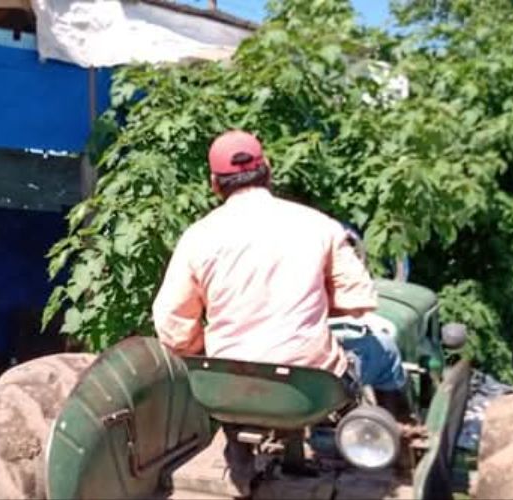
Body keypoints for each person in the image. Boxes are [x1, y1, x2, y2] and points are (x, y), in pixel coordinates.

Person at [151, 130, 406, 493]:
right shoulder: (318, 225)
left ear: (214, 184)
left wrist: (207, 346)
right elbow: (359, 300)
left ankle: (240, 448)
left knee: (232, 370)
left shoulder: (197, 236)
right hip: (308, 388)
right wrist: (315, 299)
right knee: (384, 350)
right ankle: (393, 451)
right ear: (267, 170)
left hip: (227, 386)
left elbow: (173, 328)